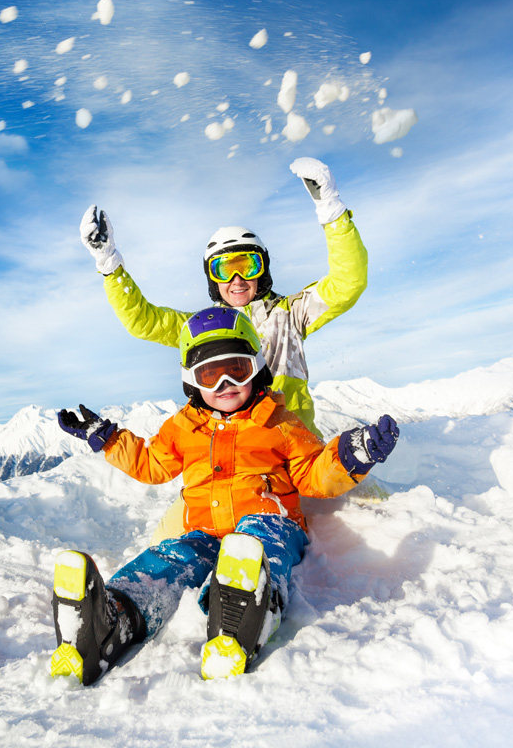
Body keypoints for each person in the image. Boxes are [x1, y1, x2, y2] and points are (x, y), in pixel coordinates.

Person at [52, 307, 399, 685]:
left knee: (256, 536)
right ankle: (113, 617)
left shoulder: (279, 423)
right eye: (210, 375)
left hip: (271, 525)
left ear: (257, 367)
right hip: (205, 532)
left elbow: (314, 474)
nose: (225, 384)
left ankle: (248, 606)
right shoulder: (184, 427)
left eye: (237, 369)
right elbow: (152, 464)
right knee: (171, 557)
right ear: (192, 382)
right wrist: (108, 438)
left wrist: (350, 457)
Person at [80, 157, 371, 539]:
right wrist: (108, 264)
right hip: (224, 462)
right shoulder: (201, 331)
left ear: (262, 270)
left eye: (246, 266)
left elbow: (347, 282)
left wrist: (331, 209)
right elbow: (144, 321)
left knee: (367, 517)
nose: (236, 279)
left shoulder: (289, 314)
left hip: (289, 458)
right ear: (211, 279)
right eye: (223, 269)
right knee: (171, 539)